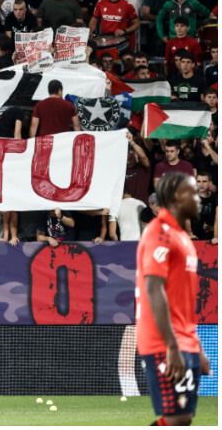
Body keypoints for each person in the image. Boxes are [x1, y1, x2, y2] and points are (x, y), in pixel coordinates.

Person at [136, 172, 210, 425]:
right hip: (163, 341)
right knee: (176, 418)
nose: (198, 197)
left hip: (184, 339)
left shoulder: (182, 237)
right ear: (177, 197)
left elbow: (182, 302)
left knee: (183, 417)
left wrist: (196, 346)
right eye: (192, 191)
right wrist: (172, 346)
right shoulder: (160, 233)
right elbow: (153, 289)